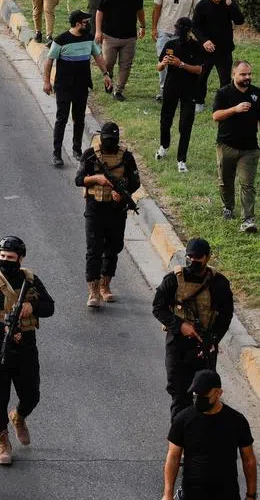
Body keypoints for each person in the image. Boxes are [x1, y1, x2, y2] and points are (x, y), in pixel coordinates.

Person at [0, 236, 55, 465]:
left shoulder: (31, 280)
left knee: (31, 394)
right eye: (2, 256)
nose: (5, 260)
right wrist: (3, 328)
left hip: (26, 343)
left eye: (10, 257)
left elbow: (50, 307)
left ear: (21, 258)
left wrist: (31, 306)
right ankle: (2, 439)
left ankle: (18, 416)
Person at [152, 238, 235, 420]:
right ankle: (179, 434)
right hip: (178, 346)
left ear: (207, 257)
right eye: (190, 257)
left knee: (207, 398)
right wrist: (180, 325)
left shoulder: (218, 283)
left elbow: (226, 315)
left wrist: (213, 339)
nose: (194, 261)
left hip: (204, 346)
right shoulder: (173, 280)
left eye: (198, 257)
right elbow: (158, 308)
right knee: (179, 395)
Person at [74, 121, 140, 307]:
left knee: (113, 247)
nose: (110, 143)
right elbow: (78, 179)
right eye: (107, 139)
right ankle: (93, 291)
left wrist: (123, 192)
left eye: (113, 140)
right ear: (101, 138)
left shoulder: (126, 157)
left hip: (116, 210)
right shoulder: (90, 155)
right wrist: (97, 178)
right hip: (95, 209)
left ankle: (105, 286)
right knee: (94, 250)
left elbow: (135, 182)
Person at [163, 369, 256, 500]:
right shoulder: (183, 420)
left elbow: (248, 459)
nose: (198, 399)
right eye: (196, 395)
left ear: (218, 393)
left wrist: (251, 495)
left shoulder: (237, 421)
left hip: (227, 494)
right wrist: (167, 494)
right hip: (192, 494)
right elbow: (173, 457)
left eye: (204, 395)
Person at [44, 10, 112, 166]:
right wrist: (46, 81)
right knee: (62, 119)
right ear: (77, 24)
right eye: (85, 22)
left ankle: (77, 150)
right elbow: (49, 61)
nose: (88, 25)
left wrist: (106, 74)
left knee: (79, 119)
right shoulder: (61, 40)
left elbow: (98, 56)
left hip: (81, 85)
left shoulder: (89, 39)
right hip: (64, 86)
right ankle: (57, 153)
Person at [213, 60, 260, 233]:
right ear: (234, 74)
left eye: (249, 74)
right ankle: (228, 207)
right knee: (225, 181)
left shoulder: (256, 93)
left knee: (247, 184)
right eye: (243, 74)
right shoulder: (223, 93)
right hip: (226, 146)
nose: (247, 77)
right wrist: (235, 109)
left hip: (250, 149)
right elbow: (216, 116)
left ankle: (248, 220)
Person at [156, 18, 204, 173]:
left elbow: (199, 70)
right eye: (177, 27)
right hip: (171, 87)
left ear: (189, 30)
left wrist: (181, 64)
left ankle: (181, 159)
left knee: (185, 124)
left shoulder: (196, 46)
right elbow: (158, 66)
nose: (179, 31)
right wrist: (163, 63)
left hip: (189, 89)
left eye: (182, 28)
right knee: (165, 119)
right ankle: (164, 146)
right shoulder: (170, 45)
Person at [194, 0, 245, 112]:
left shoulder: (228, 4)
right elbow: (195, 26)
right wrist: (204, 41)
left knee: (225, 79)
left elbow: (239, 20)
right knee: (201, 76)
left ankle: (223, 104)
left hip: (224, 50)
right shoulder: (202, 5)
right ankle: (199, 102)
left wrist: (230, 4)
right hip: (206, 49)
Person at [153, 0, 201, 100]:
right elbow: (157, 8)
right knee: (163, 61)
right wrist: (154, 28)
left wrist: (192, 32)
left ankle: (180, 90)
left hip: (181, 35)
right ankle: (164, 91)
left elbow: (196, 13)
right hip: (164, 31)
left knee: (179, 62)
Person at [95, 0, 145, 101]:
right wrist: (98, 31)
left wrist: (142, 25)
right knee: (108, 63)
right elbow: (100, 12)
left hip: (129, 36)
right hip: (110, 35)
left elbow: (140, 10)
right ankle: (108, 79)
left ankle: (118, 90)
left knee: (126, 65)